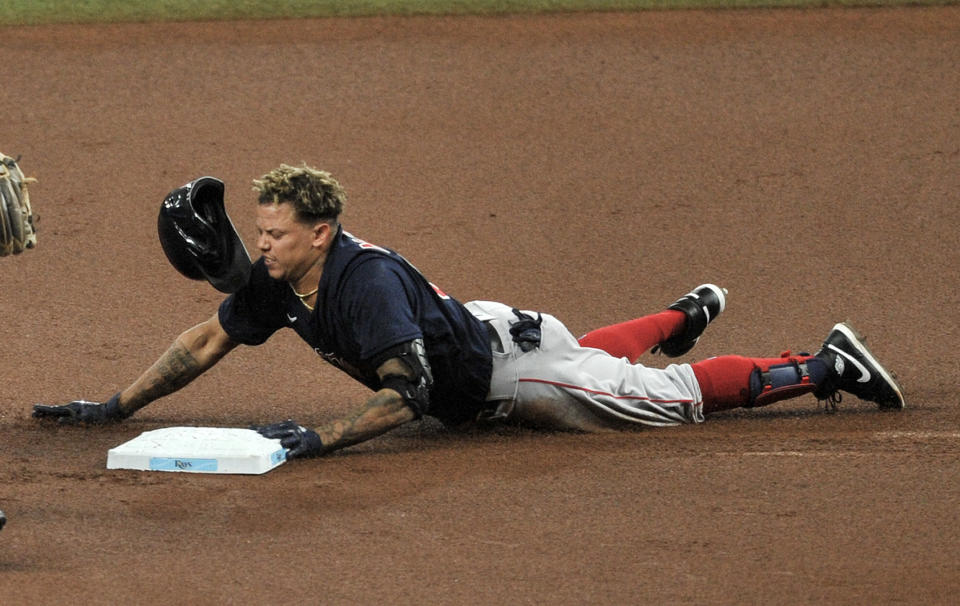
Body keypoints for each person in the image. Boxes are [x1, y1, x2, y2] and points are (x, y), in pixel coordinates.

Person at [32, 164, 905, 458]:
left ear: (321, 231)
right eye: (257, 231)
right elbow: (204, 340)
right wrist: (116, 406)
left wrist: (321, 439)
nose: (260, 246)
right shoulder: (282, 276)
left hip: (514, 371)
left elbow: (407, 391)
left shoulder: (359, 284)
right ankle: (676, 316)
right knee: (592, 358)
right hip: (492, 334)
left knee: (671, 402)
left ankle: (829, 364)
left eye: (273, 232)